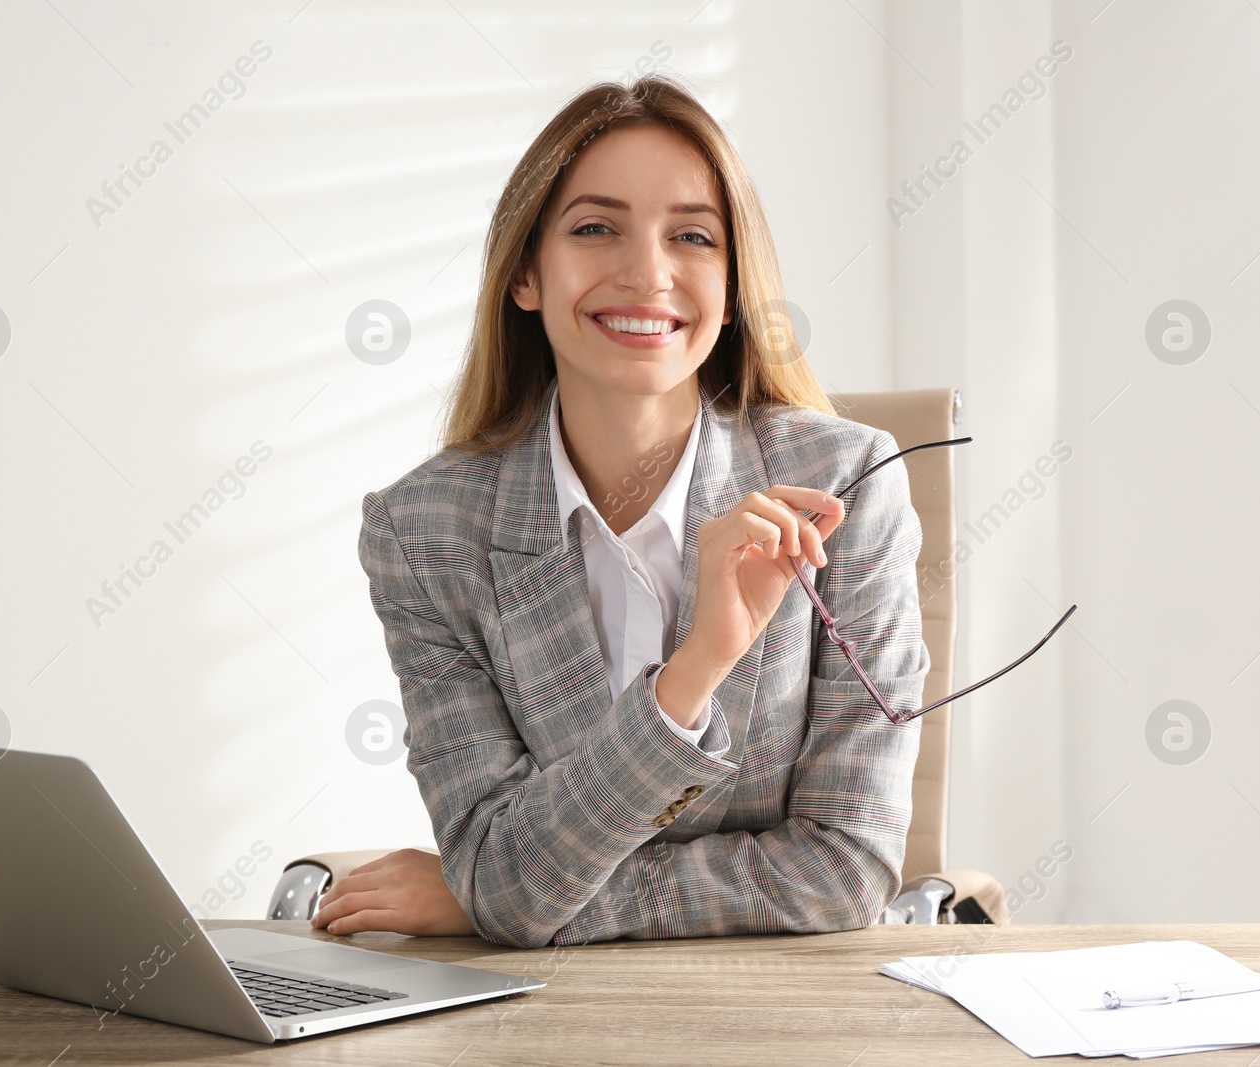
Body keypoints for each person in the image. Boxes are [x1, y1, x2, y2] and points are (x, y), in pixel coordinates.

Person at [312, 74, 929, 948]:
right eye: (596, 228)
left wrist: (515, 903)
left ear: (733, 278)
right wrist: (696, 669)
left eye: (693, 236)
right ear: (526, 272)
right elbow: (494, 864)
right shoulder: (424, 533)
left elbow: (845, 868)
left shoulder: (847, 484)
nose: (648, 274)